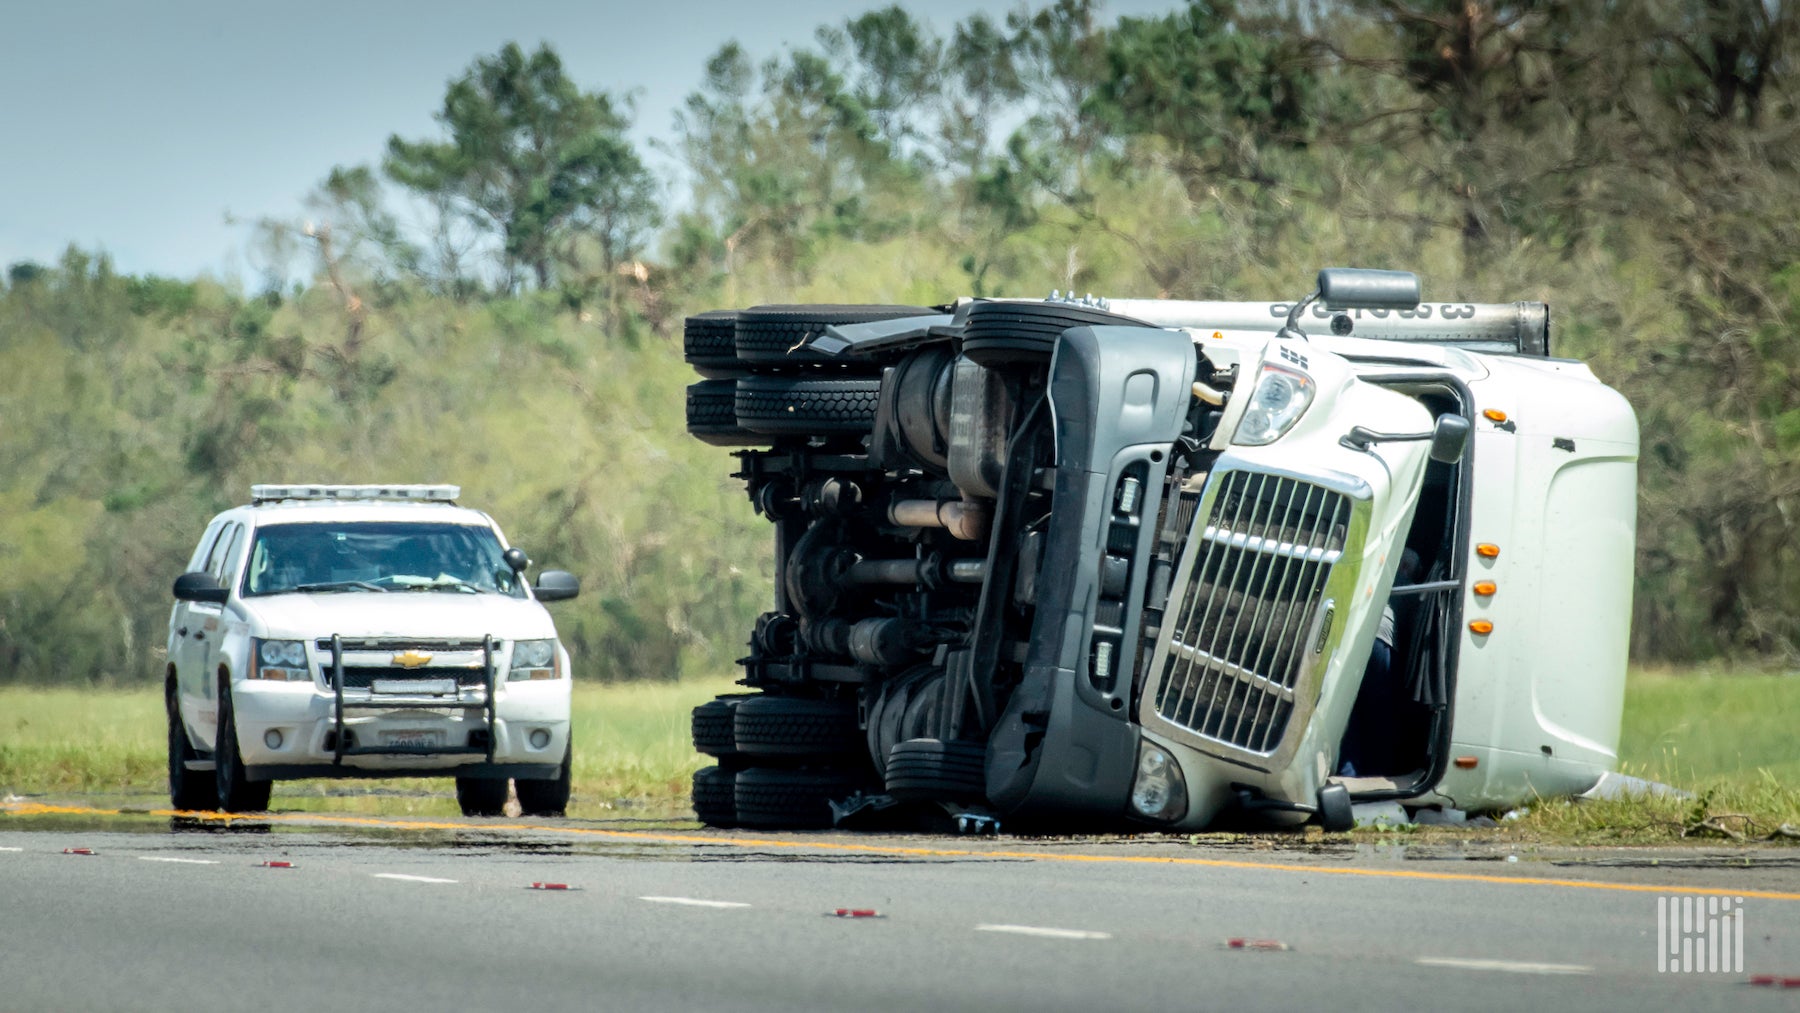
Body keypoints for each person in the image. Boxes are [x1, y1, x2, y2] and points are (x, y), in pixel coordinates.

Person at [1337, 549, 1421, 777]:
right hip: (1381, 644)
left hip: (1353, 639)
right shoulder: (1409, 586)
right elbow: (1412, 631)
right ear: (1405, 566)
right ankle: (1378, 773)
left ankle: (1347, 771)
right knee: (1380, 712)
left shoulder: (1374, 575)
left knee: (1350, 706)